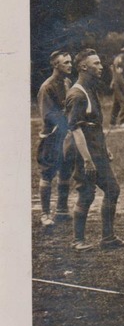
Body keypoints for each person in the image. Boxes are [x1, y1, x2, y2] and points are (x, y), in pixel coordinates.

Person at [65, 49, 124, 250]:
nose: (101, 67)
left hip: (97, 152)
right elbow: (75, 129)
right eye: (97, 63)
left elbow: (94, 127)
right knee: (86, 194)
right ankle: (78, 241)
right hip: (84, 155)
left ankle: (108, 238)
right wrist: (87, 159)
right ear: (84, 67)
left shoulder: (90, 89)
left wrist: (104, 148)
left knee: (112, 190)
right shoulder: (77, 94)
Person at [36, 50, 74, 230]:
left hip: (66, 134)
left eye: (70, 62)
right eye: (66, 62)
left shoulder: (67, 82)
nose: (70, 65)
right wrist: (67, 122)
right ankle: (45, 213)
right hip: (52, 136)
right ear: (56, 65)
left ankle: (61, 209)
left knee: (66, 170)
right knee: (48, 173)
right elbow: (49, 115)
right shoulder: (47, 87)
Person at [108, 46, 124, 128]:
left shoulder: (118, 59)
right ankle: (122, 121)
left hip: (116, 84)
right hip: (119, 84)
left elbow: (114, 73)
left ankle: (112, 122)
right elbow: (119, 76)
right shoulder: (120, 61)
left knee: (116, 104)